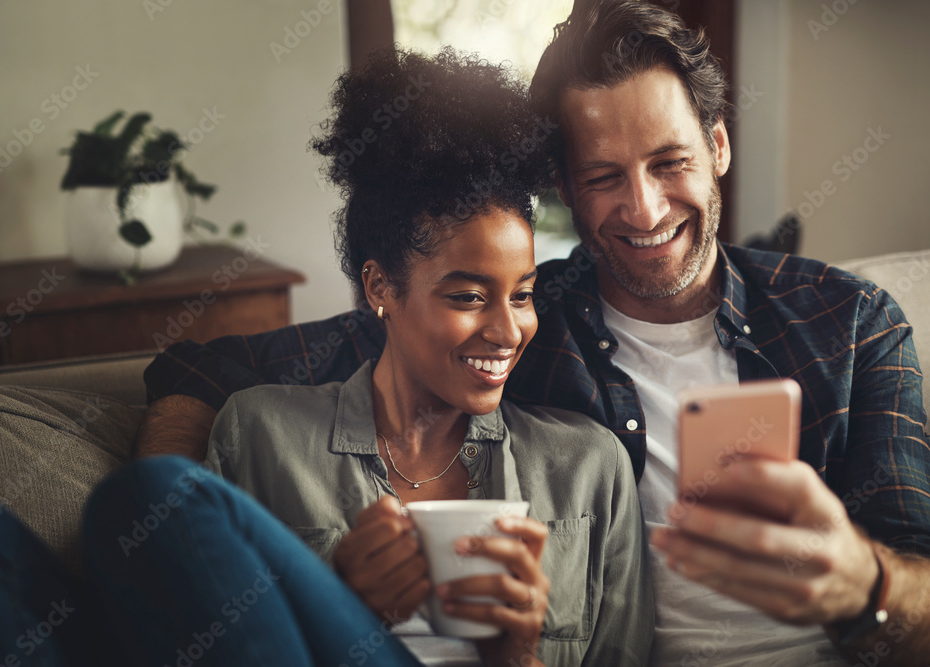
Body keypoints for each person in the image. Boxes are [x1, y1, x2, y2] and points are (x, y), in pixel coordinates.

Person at [138, 1, 930, 665]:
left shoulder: (849, 323)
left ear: (718, 145)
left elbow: (920, 590)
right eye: (603, 177)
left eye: (669, 162)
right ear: (565, 188)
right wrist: (169, 535)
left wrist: (865, 583)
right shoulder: (528, 316)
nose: (645, 209)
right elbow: (205, 365)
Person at [0, 47, 652, 667]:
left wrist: (519, 654)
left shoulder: (588, 467)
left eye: (522, 294)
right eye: (468, 297)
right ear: (379, 287)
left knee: (149, 495)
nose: (507, 330)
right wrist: (338, 591)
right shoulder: (261, 431)